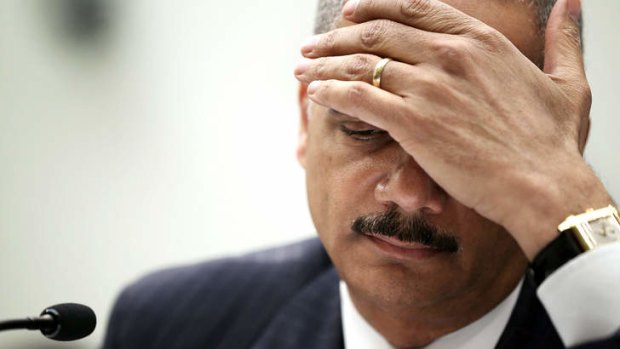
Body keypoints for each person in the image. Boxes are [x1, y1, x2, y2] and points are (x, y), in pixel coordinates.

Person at [102, 0, 620, 348]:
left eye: (469, 146)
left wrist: (571, 201)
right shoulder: (169, 325)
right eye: (365, 129)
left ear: (563, 143)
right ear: (308, 119)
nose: (412, 194)